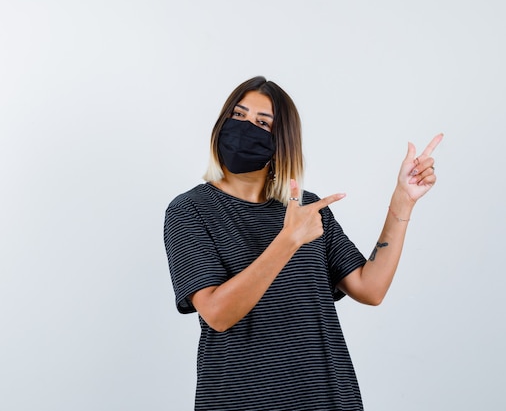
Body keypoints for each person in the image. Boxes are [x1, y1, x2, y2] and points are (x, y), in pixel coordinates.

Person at [163, 76, 443, 411]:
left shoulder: (307, 209)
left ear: (281, 141)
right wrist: (288, 240)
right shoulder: (190, 210)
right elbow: (218, 315)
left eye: (262, 122)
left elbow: (371, 288)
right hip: (240, 400)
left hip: (327, 396)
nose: (245, 127)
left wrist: (402, 201)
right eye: (238, 116)